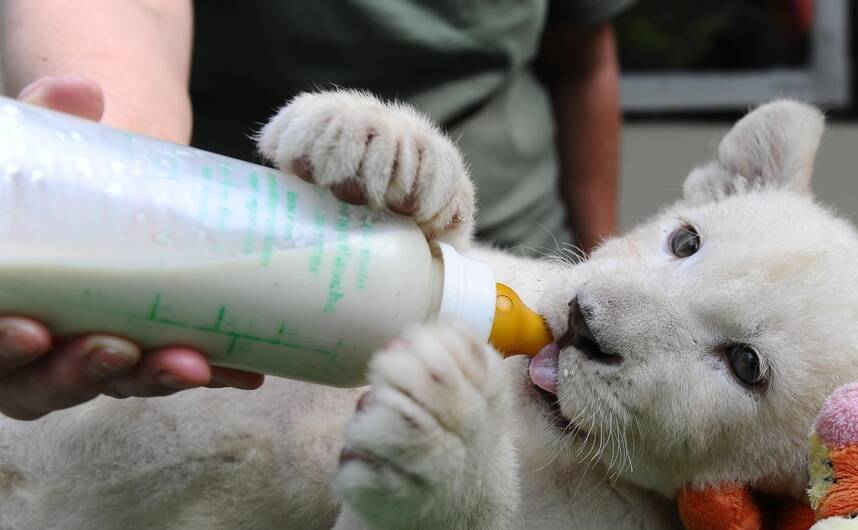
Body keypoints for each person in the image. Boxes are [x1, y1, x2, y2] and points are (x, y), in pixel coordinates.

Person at [0, 0, 632, 419]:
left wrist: (602, 254)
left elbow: (579, 55)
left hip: (520, 243)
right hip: (253, 254)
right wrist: (103, 164)